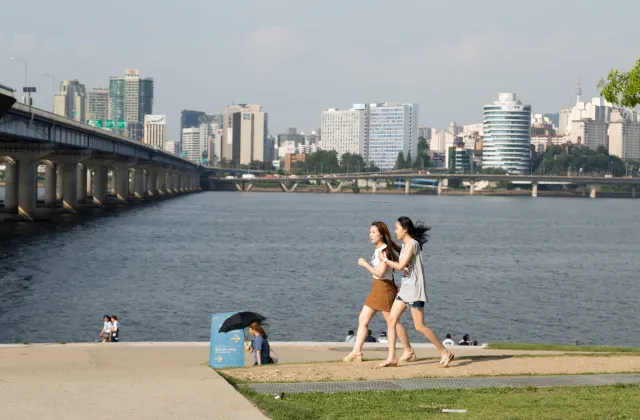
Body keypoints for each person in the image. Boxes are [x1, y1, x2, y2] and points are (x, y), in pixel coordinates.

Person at [380, 216, 455, 368]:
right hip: (405, 289)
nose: (395, 231)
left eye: (397, 228)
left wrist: (385, 259)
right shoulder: (405, 244)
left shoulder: (412, 245)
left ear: (405, 229)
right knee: (391, 320)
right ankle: (392, 358)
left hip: (415, 290)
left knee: (419, 326)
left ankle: (445, 352)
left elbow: (401, 266)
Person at [343, 221, 415, 363]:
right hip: (376, 288)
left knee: (393, 322)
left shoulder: (384, 251)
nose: (371, 235)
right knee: (363, 319)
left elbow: (381, 273)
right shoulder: (378, 249)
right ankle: (357, 351)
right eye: (370, 232)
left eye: (374, 232)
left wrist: (364, 264)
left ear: (382, 234)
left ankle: (408, 350)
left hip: (384, 289)